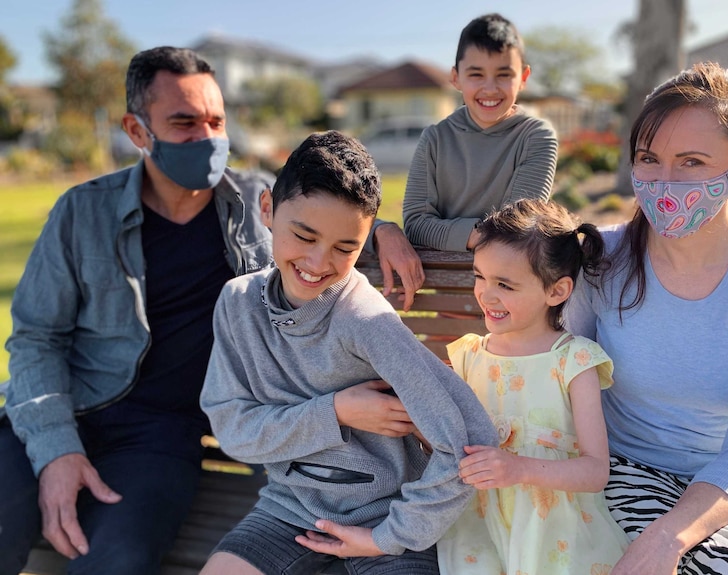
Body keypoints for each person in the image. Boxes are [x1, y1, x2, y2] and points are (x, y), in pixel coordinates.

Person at [0, 47, 423, 575]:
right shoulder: (81, 212)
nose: (206, 137)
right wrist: (57, 450)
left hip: (159, 437)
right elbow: (36, 341)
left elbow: (328, 204)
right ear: (136, 130)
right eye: (184, 122)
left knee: (115, 561)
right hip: (61, 412)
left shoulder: (253, 201)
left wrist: (381, 229)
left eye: (216, 120)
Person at [564, 62, 728, 575]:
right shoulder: (599, 258)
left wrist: (668, 538)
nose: (663, 182)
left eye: (691, 162)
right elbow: (557, 379)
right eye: (648, 158)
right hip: (619, 471)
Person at [198, 130, 498, 575]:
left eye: (345, 248)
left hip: (387, 523)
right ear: (267, 210)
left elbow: (470, 441)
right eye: (304, 235)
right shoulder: (238, 304)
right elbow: (234, 429)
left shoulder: (366, 321)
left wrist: (390, 535)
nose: (319, 263)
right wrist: (336, 411)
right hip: (288, 512)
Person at [436, 198, 630, 574]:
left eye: (505, 285)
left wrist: (518, 468)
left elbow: (595, 471)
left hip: (554, 531)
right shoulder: (469, 357)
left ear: (556, 292)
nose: (486, 295)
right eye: (480, 276)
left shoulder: (573, 361)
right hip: (479, 527)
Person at [402, 13, 558, 252]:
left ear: (524, 78)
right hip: (443, 281)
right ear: (456, 78)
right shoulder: (435, 139)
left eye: (503, 75)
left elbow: (518, 226)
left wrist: (451, 233)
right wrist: (484, 233)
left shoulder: (536, 136)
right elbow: (415, 226)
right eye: (476, 74)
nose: (490, 89)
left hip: (512, 283)